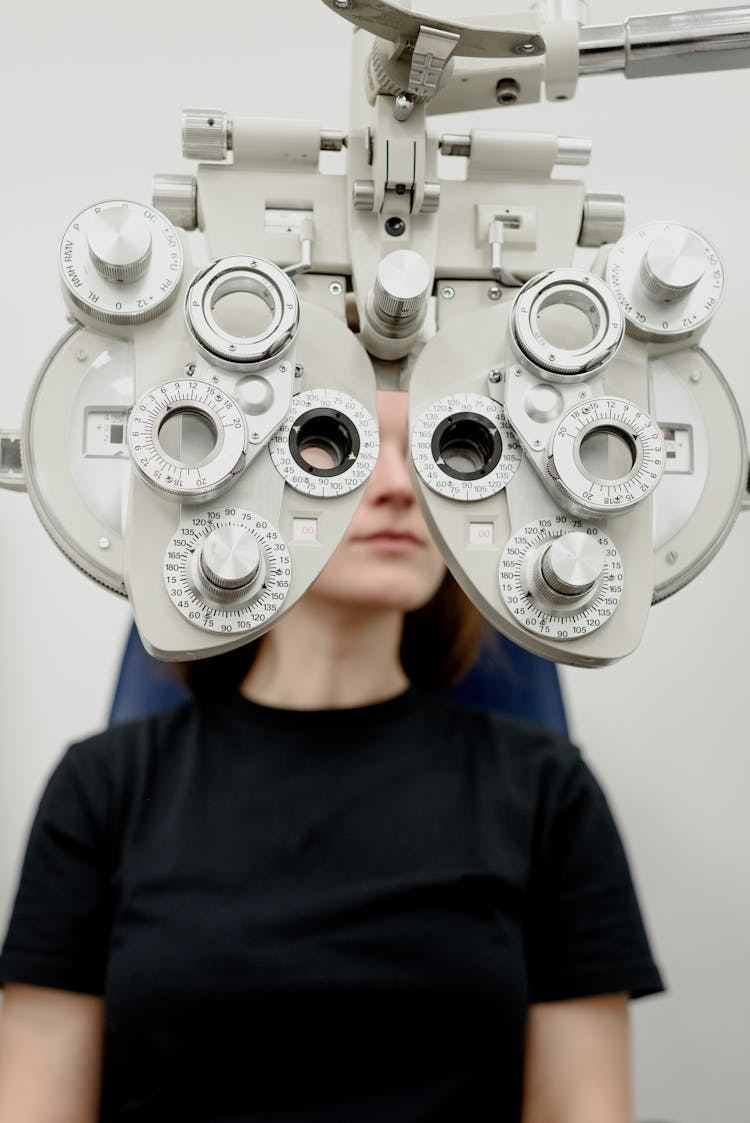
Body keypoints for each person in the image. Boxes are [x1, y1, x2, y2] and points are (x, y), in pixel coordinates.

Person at [0, 391, 663, 1122]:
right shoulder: (104, 787)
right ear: (242, 476)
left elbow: (584, 1108)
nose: (399, 486)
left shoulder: (547, 788)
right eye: (331, 439)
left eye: (444, 450)